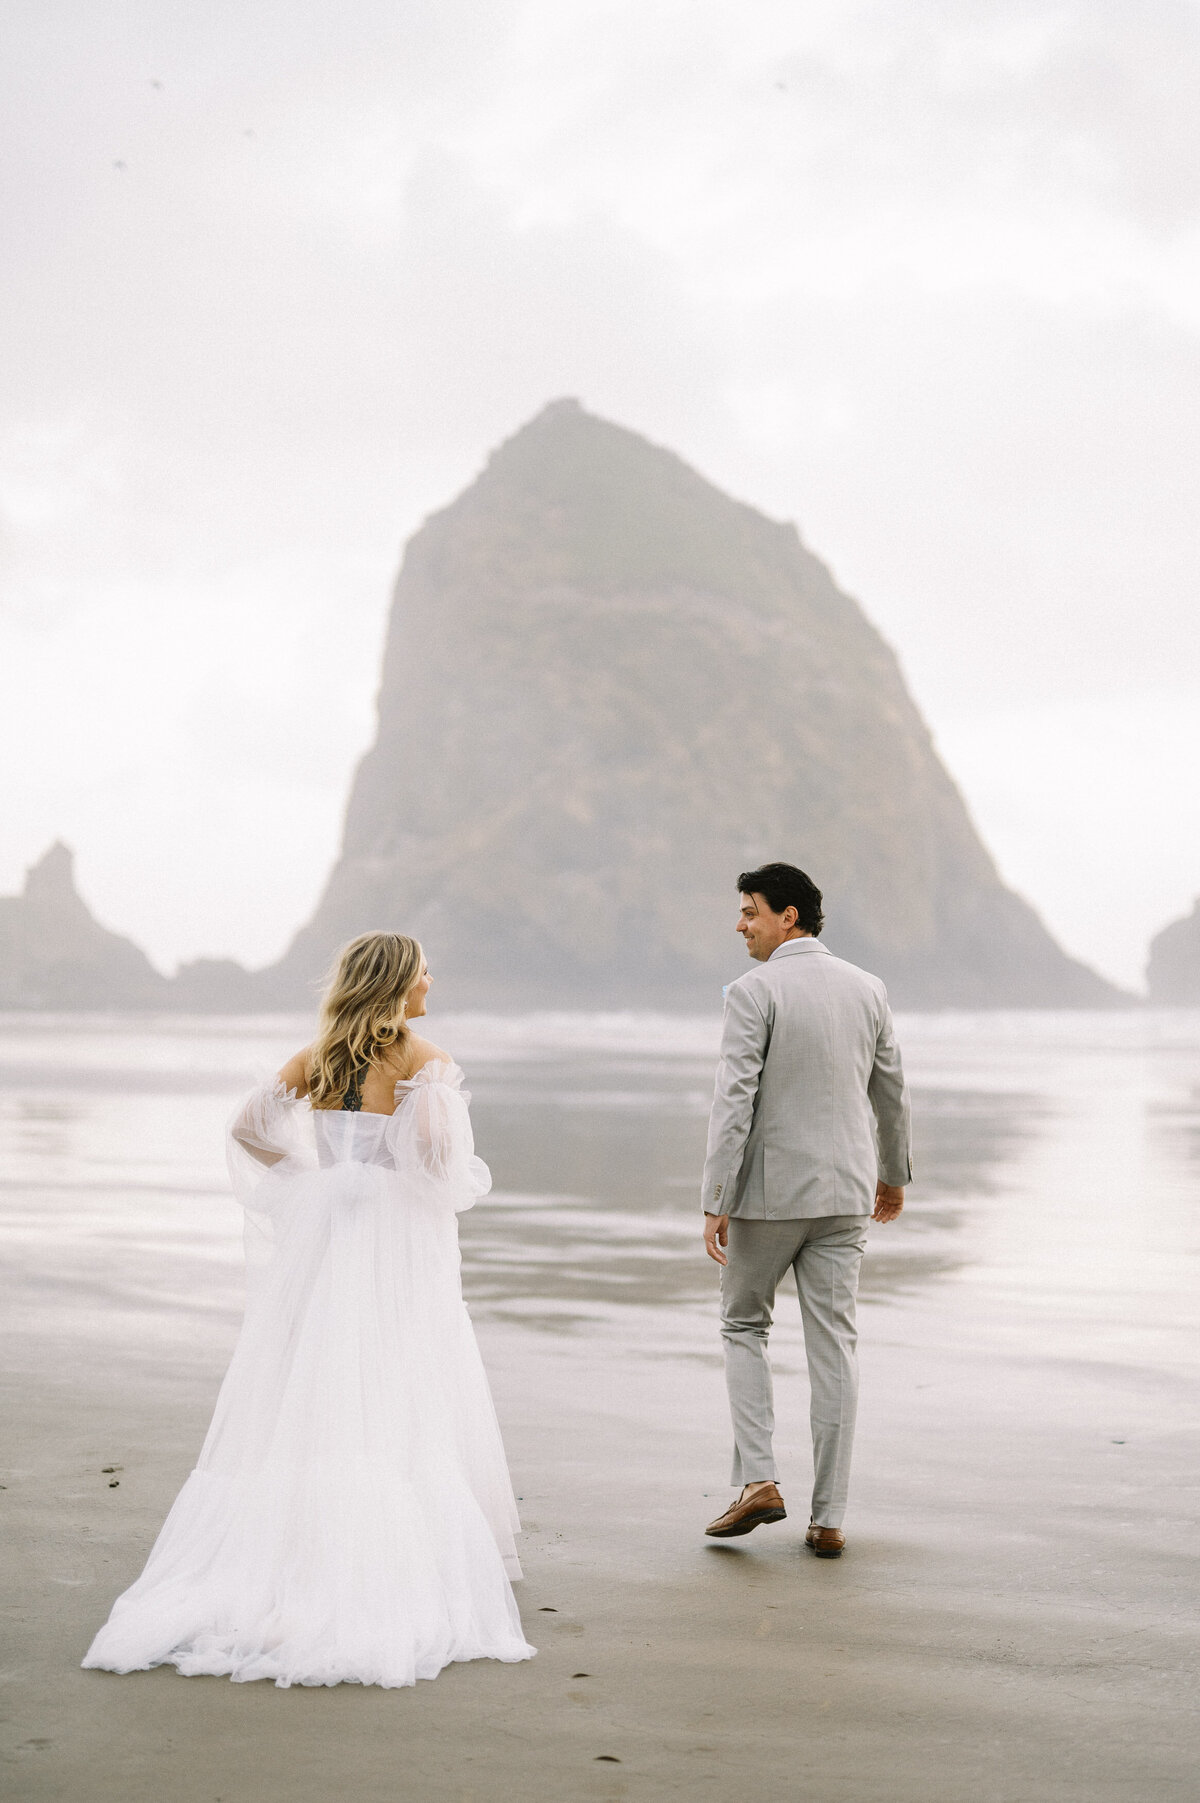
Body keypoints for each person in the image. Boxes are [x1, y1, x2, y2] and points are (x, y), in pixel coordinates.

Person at [83, 932, 535, 1687]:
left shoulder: (319, 1053)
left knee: (321, 1376)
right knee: (400, 1374)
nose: (432, 979)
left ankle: (302, 1543)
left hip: (329, 1236)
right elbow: (436, 1167)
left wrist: (309, 1180)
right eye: (425, 969)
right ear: (398, 981)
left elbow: (248, 1127)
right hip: (396, 1244)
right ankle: (389, 1553)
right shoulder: (427, 1062)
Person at [701, 864, 911, 1557]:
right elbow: (891, 1090)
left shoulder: (754, 991)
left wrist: (716, 1198)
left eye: (750, 912)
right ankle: (829, 1517)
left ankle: (758, 1479)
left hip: (770, 1193)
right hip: (848, 1191)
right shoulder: (868, 987)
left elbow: (735, 1099)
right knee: (835, 1350)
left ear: (789, 916)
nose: (741, 924)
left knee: (741, 1322)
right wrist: (893, 1174)